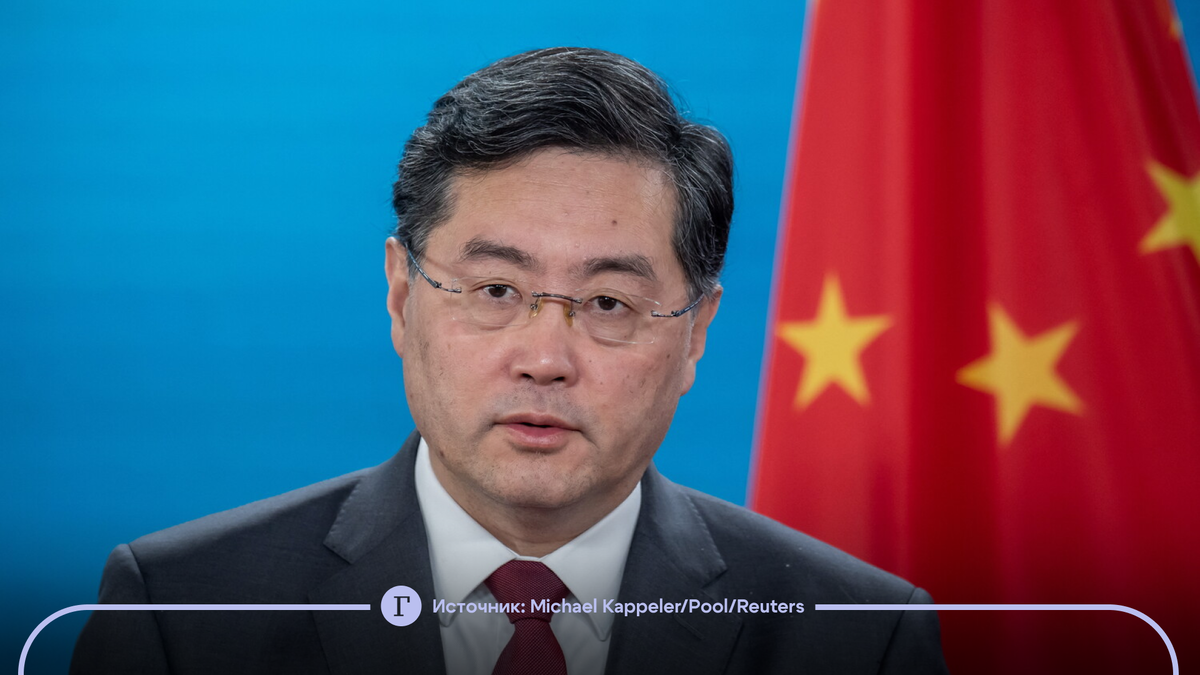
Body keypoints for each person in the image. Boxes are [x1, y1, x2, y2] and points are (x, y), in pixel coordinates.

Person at [71, 47, 948, 674]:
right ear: (401, 296)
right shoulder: (182, 612)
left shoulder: (854, 635)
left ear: (695, 332)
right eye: (495, 289)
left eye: (609, 303)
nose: (544, 357)